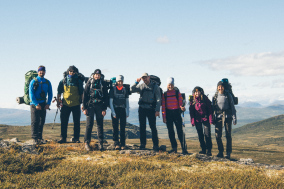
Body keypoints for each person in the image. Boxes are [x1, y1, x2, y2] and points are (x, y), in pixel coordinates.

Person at [131, 73, 161, 151]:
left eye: (145, 78)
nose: (144, 79)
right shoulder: (141, 86)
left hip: (151, 109)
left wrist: (157, 110)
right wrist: (136, 82)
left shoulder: (155, 87)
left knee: (153, 127)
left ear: (149, 77)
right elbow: (132, 89)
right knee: (142, 127)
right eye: (143, 78)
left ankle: (155, 145)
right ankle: (143, 144)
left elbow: (158, 99)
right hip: (142, 109)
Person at [57, 65, 84, 143]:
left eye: (73, 71)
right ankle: (63, 138)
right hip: (65, 104)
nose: (72, 73)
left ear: (76, 72)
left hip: (76, 104)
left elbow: (82, 93)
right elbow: (59, 92)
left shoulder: (79, 81)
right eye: (70, 71)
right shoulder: (63, 81)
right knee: (64, 122)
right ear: (68, 71)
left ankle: (76, 138)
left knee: (76, 122)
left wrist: (83, 104)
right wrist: (58, 101)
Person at [82, 69, 108, 151]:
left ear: (100, 76)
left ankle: (101, 144)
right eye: (96, 75)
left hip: (100, 106)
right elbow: (85, 95)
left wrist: (104, 108)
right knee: (89, 124)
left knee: (100, 125)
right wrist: (84, 107)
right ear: (93, 75)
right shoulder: (89, 83)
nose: (97, 76)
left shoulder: (103, 84)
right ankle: (87, 143)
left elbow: (106, 97)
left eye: (98, 75)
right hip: (90, 105)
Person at [162, 77, 187, 154]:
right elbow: (163, 106)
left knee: (180, 131)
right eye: (169, 85)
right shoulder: (165, 94)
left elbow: (180, 102)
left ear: (173, 85)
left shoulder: (177, 93)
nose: (170, 86)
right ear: (167, 85)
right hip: (168, 114)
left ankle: (184, 148)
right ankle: (174, 148)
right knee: (171, 132)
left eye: (171, 85)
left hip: (176, 113)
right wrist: (164, 117)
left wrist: (182, 107)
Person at [212, 81, 237, 159]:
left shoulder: (228, 95)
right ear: (217, 87)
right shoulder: (215, 96)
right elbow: (213, 108)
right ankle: (220, 151)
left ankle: (228, 153)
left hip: (228, 117)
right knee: (217, 135)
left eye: (221, 86)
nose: (220, 88)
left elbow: (232, 107)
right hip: (218, 118)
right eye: (219, 86)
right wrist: (213, 118)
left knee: (228, 135)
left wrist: (234, 118)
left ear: (224, 87)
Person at [29, 65, 53, 144]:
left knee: (42, 121)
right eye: (40, 71)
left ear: (45, 72)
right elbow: (31, 94)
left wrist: (48, 103)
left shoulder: (47, 82)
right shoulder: (33, 81)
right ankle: (34, 138)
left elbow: (50, 93)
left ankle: (40, 137)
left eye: (43, 71)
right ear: (38, 72)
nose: (41, 72)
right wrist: (36, 104)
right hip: (34, 104)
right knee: (35, 121)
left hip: (43, 103)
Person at [189, 86, 213, 156]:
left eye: (198, 91)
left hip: (205, 119)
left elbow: (210, 110)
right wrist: (193, 121)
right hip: (197, 120)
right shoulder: (192, 101)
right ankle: (203, 149)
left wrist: (211, 120)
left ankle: (209, 150)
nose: (197, 93)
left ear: (201, 92)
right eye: (195, 92)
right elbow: (191, 112)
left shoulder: (205, 99)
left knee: (207, 135)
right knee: (200, 135)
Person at [109, 75, 129, 150]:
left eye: (121, 81)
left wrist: (127, 111)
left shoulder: (125, 89)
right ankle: (116, 143)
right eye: (119, 81)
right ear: (117, 82)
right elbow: (110, 102)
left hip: (122, 109)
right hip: (115, 109)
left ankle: (123, 144)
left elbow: (127, 101)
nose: (120, 82)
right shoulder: (113, 89)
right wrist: (113, 112)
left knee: (123, 127)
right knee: (115, 127)